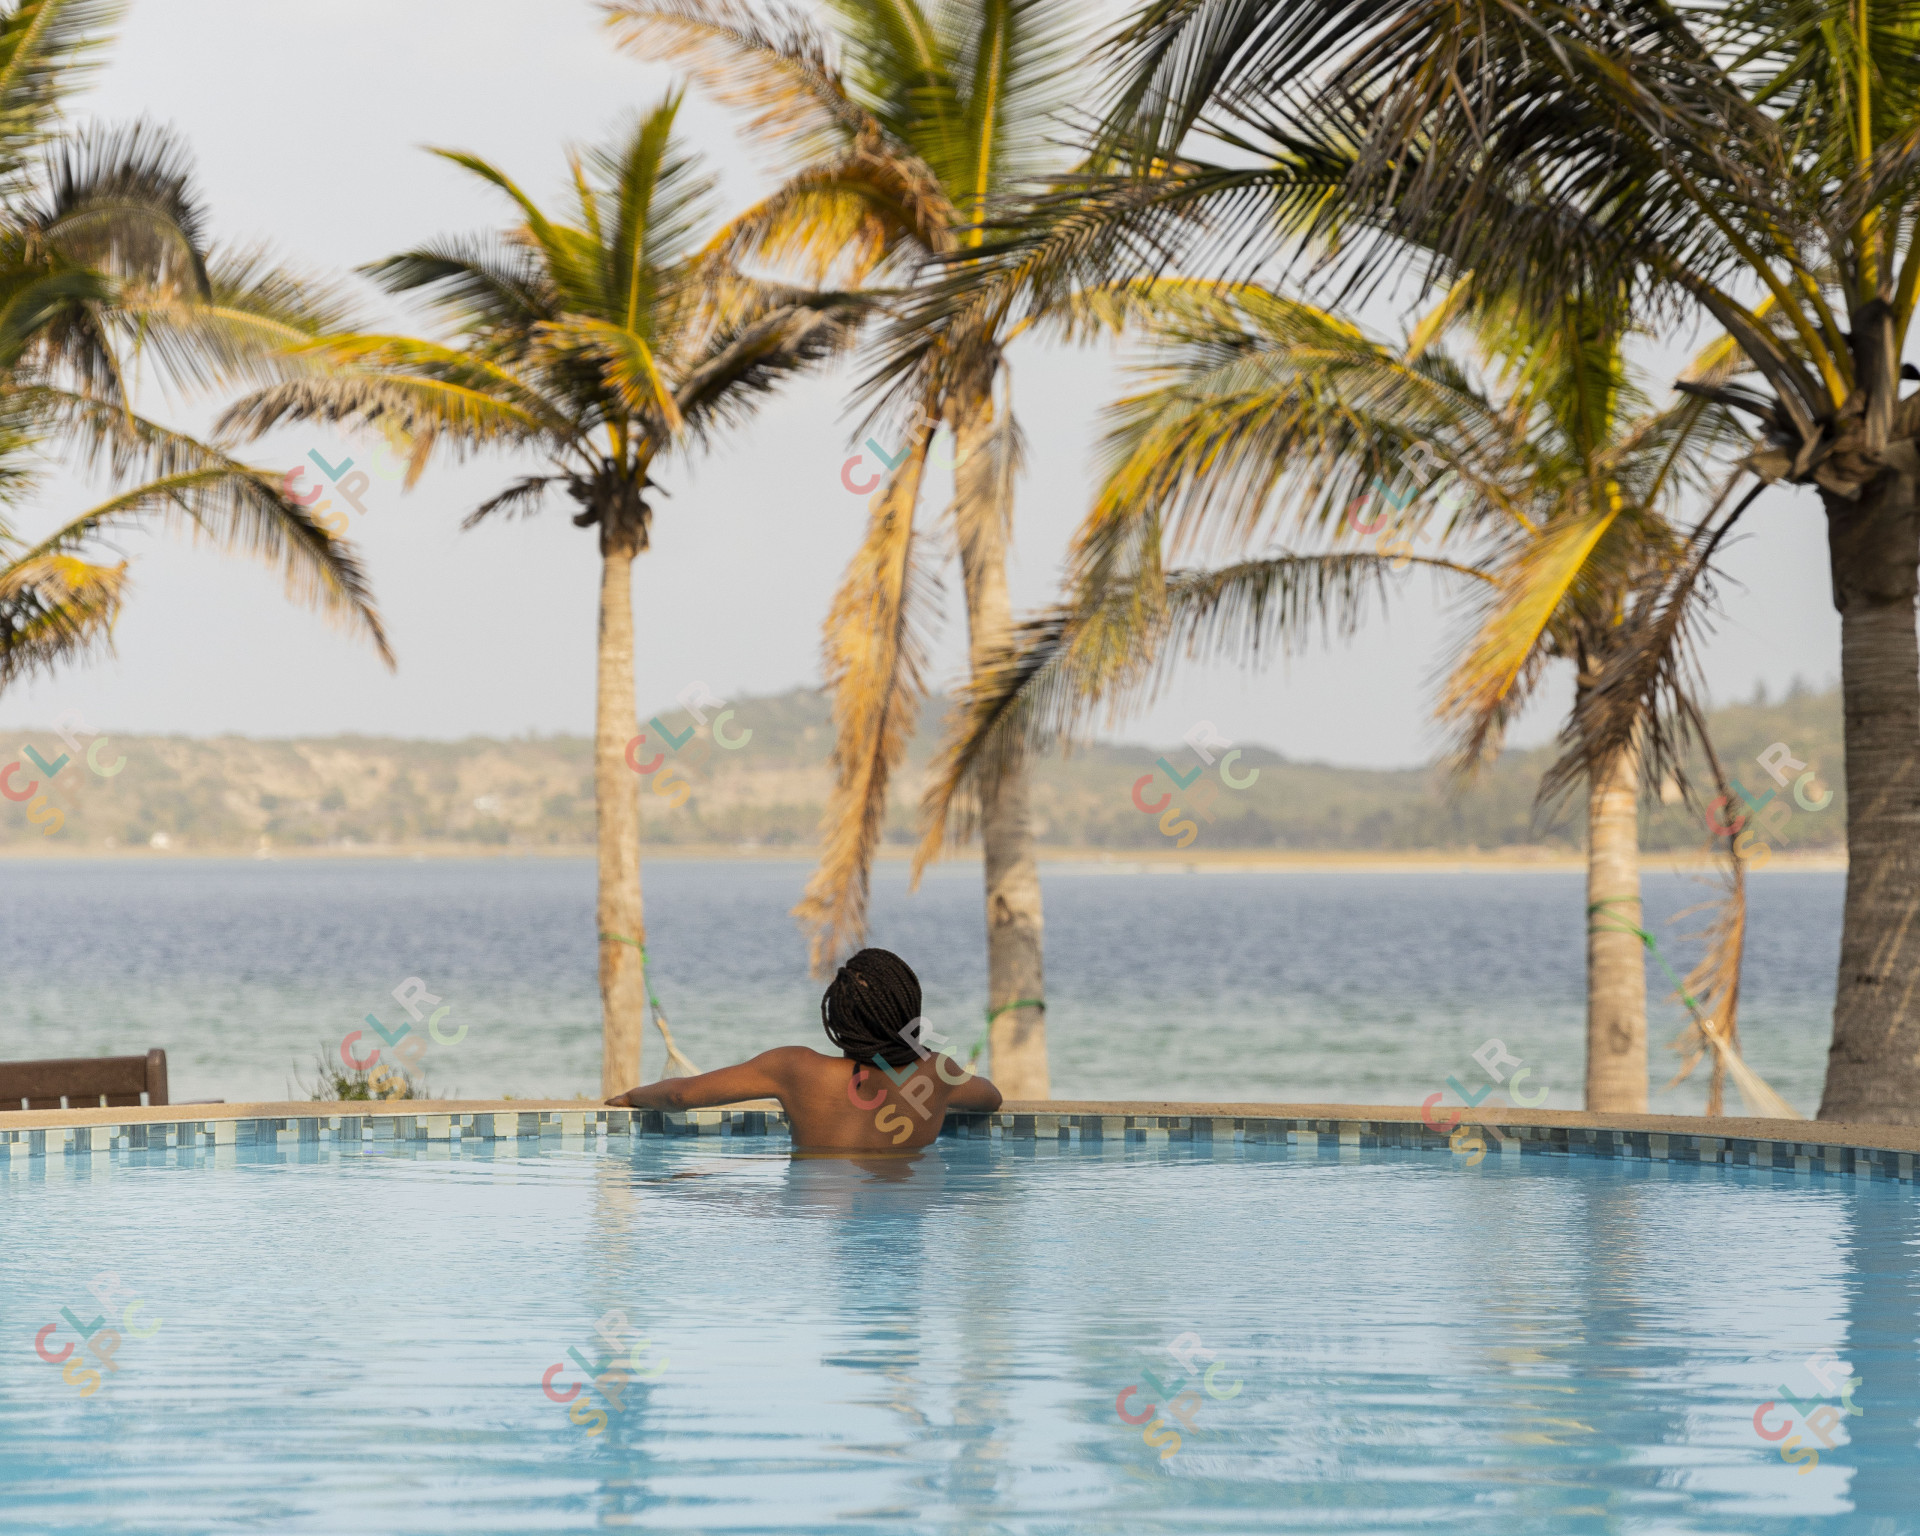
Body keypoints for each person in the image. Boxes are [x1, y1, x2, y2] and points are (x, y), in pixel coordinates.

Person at [605, 948, 1002, 1151]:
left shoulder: (795, 1068)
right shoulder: (937, 1073)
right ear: (907, 1010)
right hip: (909, 1214)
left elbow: (680, 1095)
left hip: (814, 1213)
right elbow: (990, 1099)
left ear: (837, 1015)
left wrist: (632, 1096)